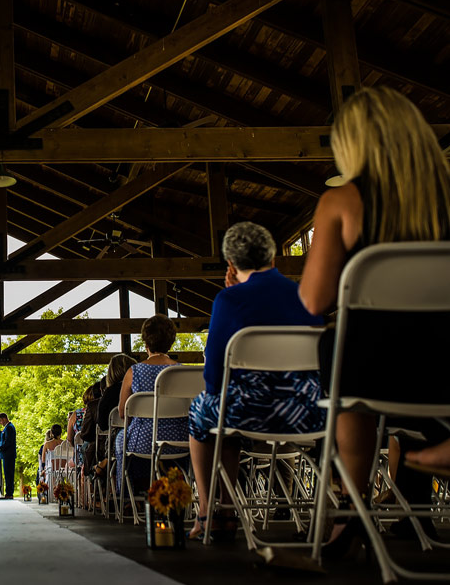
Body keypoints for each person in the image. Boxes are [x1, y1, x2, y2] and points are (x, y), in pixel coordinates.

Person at [298, 86, 450, 549]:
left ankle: (352, 503)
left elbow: (313, 301)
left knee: (341, 348)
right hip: (442, 365)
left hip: (373, 371)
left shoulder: (342, 202)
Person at [188, 222, 324, 540]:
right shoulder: (305, 295)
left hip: (251, 412)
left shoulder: (230, 300)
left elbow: (213, 380)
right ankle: (224, 508)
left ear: (231, 265)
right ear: (274, 259)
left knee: (204, 409)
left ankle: (212, 511)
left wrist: (231, 294)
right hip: (310, 413)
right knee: (224, 411)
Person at [114, 316, 182, 495]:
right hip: (180, 440)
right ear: (171, 341)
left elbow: (122, 413)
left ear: (146, 342)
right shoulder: (182, 371)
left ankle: (128, 496)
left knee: (120, 439)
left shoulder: (134, 371)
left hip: (144, 441)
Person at [0, 412, 17, 498]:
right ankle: (9, 493)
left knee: (9, 474)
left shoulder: (9, 428)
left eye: (0, 421)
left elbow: (8, 442)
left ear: (4, 419)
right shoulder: (8, 428)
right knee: (7, 474)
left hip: (9, 455)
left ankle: (9, 493)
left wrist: (0, 448)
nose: (0, 423)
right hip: (7, 455)